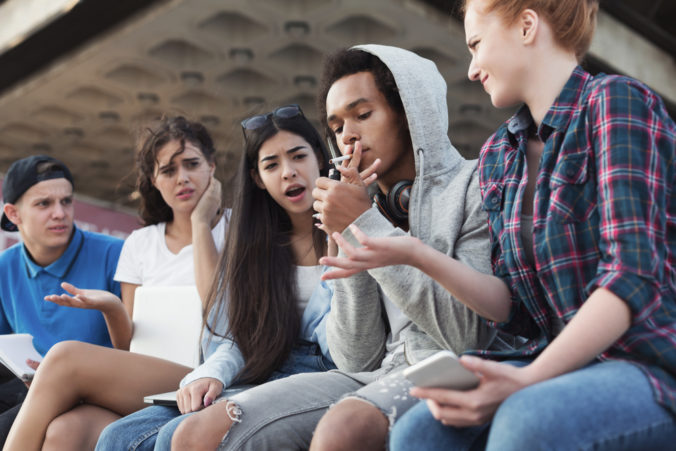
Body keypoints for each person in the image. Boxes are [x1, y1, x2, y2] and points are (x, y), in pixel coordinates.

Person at [322, 1, 676, 449]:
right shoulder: (499, 154)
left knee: (527, 421)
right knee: (419, 433)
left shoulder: (616, 103)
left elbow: (631, 278)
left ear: (527, 26)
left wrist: (528, 378)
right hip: (547, 360)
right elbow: (511, 305)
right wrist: (411, 252)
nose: (472, 69)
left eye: (476, 44)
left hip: (641, 362)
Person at [161, 44, 499, 451]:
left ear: (409, 112)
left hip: (453, 366)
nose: (348, 135)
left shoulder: (474, 186)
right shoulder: (360, 202)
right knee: (196, 434)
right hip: (373, 374)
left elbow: (467, 335)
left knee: (344, 430)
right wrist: (350, 234)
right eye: (337, 126)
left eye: (363, 114)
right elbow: (356, 356)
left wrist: (366, 224)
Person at [94, 104, 338, 450]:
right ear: (258, 179)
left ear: (321, 158)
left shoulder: (350, 230)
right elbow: (238, 334)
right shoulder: (256, 244)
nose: (288, 172)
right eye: (271, 165)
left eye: (298, 156)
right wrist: (211, 372)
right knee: (118, 437)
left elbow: (353, 347)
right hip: (261, 368)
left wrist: (341, 239)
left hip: (324, 372)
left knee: (175, 437)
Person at [3, 116, 228, 451]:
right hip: (144, 380)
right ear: (154, 179)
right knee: (63, 432)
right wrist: (111, 306)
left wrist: (200, 223)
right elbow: (129, 348)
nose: (182, 178)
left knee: (64, 358)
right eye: (168, 170)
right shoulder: (140, 243)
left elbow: (217, 312)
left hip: (210, 372)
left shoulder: (238, 229)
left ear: (211, 167)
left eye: (192, 164)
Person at [0, 155, 123, 446]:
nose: (60, 213)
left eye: (66, 201)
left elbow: (138, 350)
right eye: (44, 204)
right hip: (30, 386)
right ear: (13, 214)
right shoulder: (4, 267)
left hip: (97, 392)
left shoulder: (117, 254)